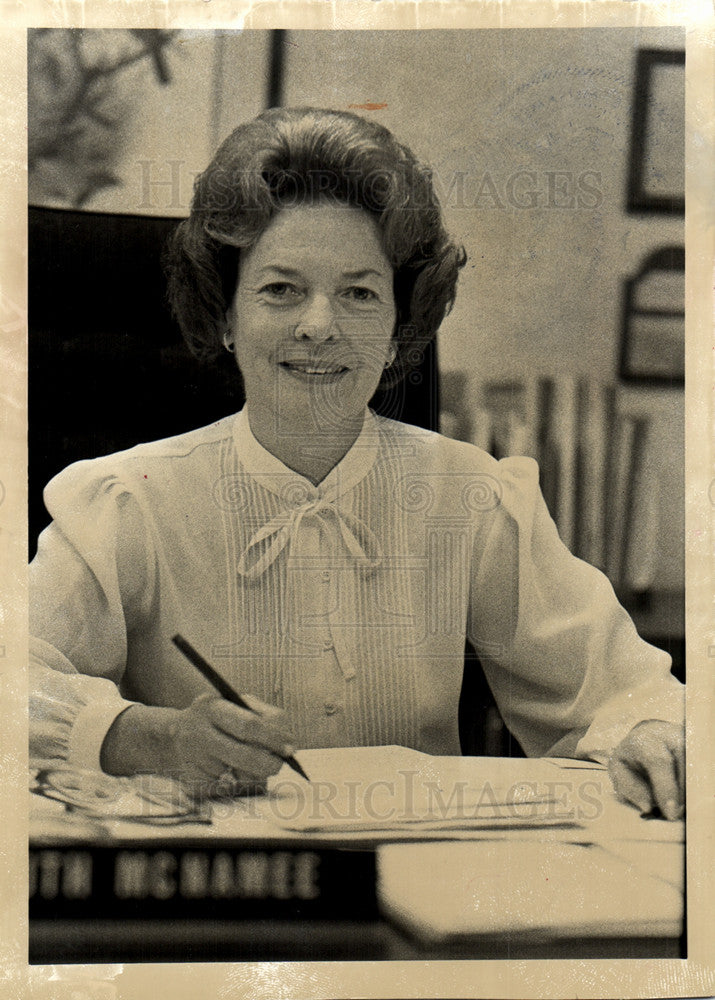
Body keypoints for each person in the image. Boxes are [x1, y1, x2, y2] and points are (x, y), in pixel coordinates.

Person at [30, 107, 684, 818]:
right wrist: (141, 736)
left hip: (425, 882)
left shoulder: (471, 496)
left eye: (359, 293)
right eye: (281, 289)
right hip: (225, 886)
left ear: (399, 328)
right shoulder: (124, 501)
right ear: (225, 315)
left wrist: (648, 729)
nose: (319, 324)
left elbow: (624, 689)